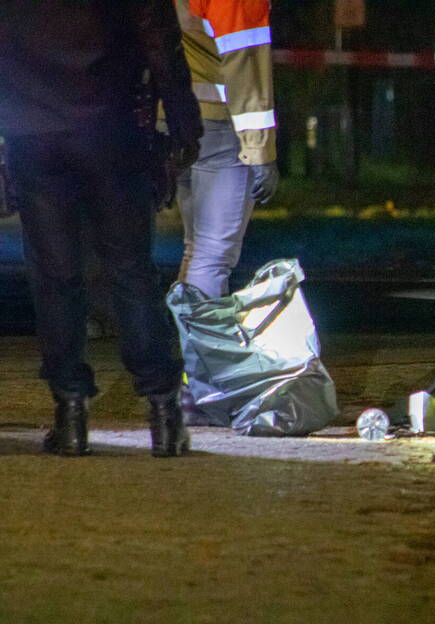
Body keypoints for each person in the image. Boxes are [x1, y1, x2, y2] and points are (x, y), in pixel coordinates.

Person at [0, 0, 203, 457]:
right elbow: (159, 39)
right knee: (130, 270)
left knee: (56, 275)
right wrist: (184, 123)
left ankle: (70, 414)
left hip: (32, 135)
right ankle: (164, 413)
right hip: (111, 129)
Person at [174, 0, 280, 300]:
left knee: (196, 247)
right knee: (212, 255)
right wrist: (260, 152)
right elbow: (245, 67)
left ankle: (191, 338)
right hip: (217, 126)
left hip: (168, 120)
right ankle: (205, 346)